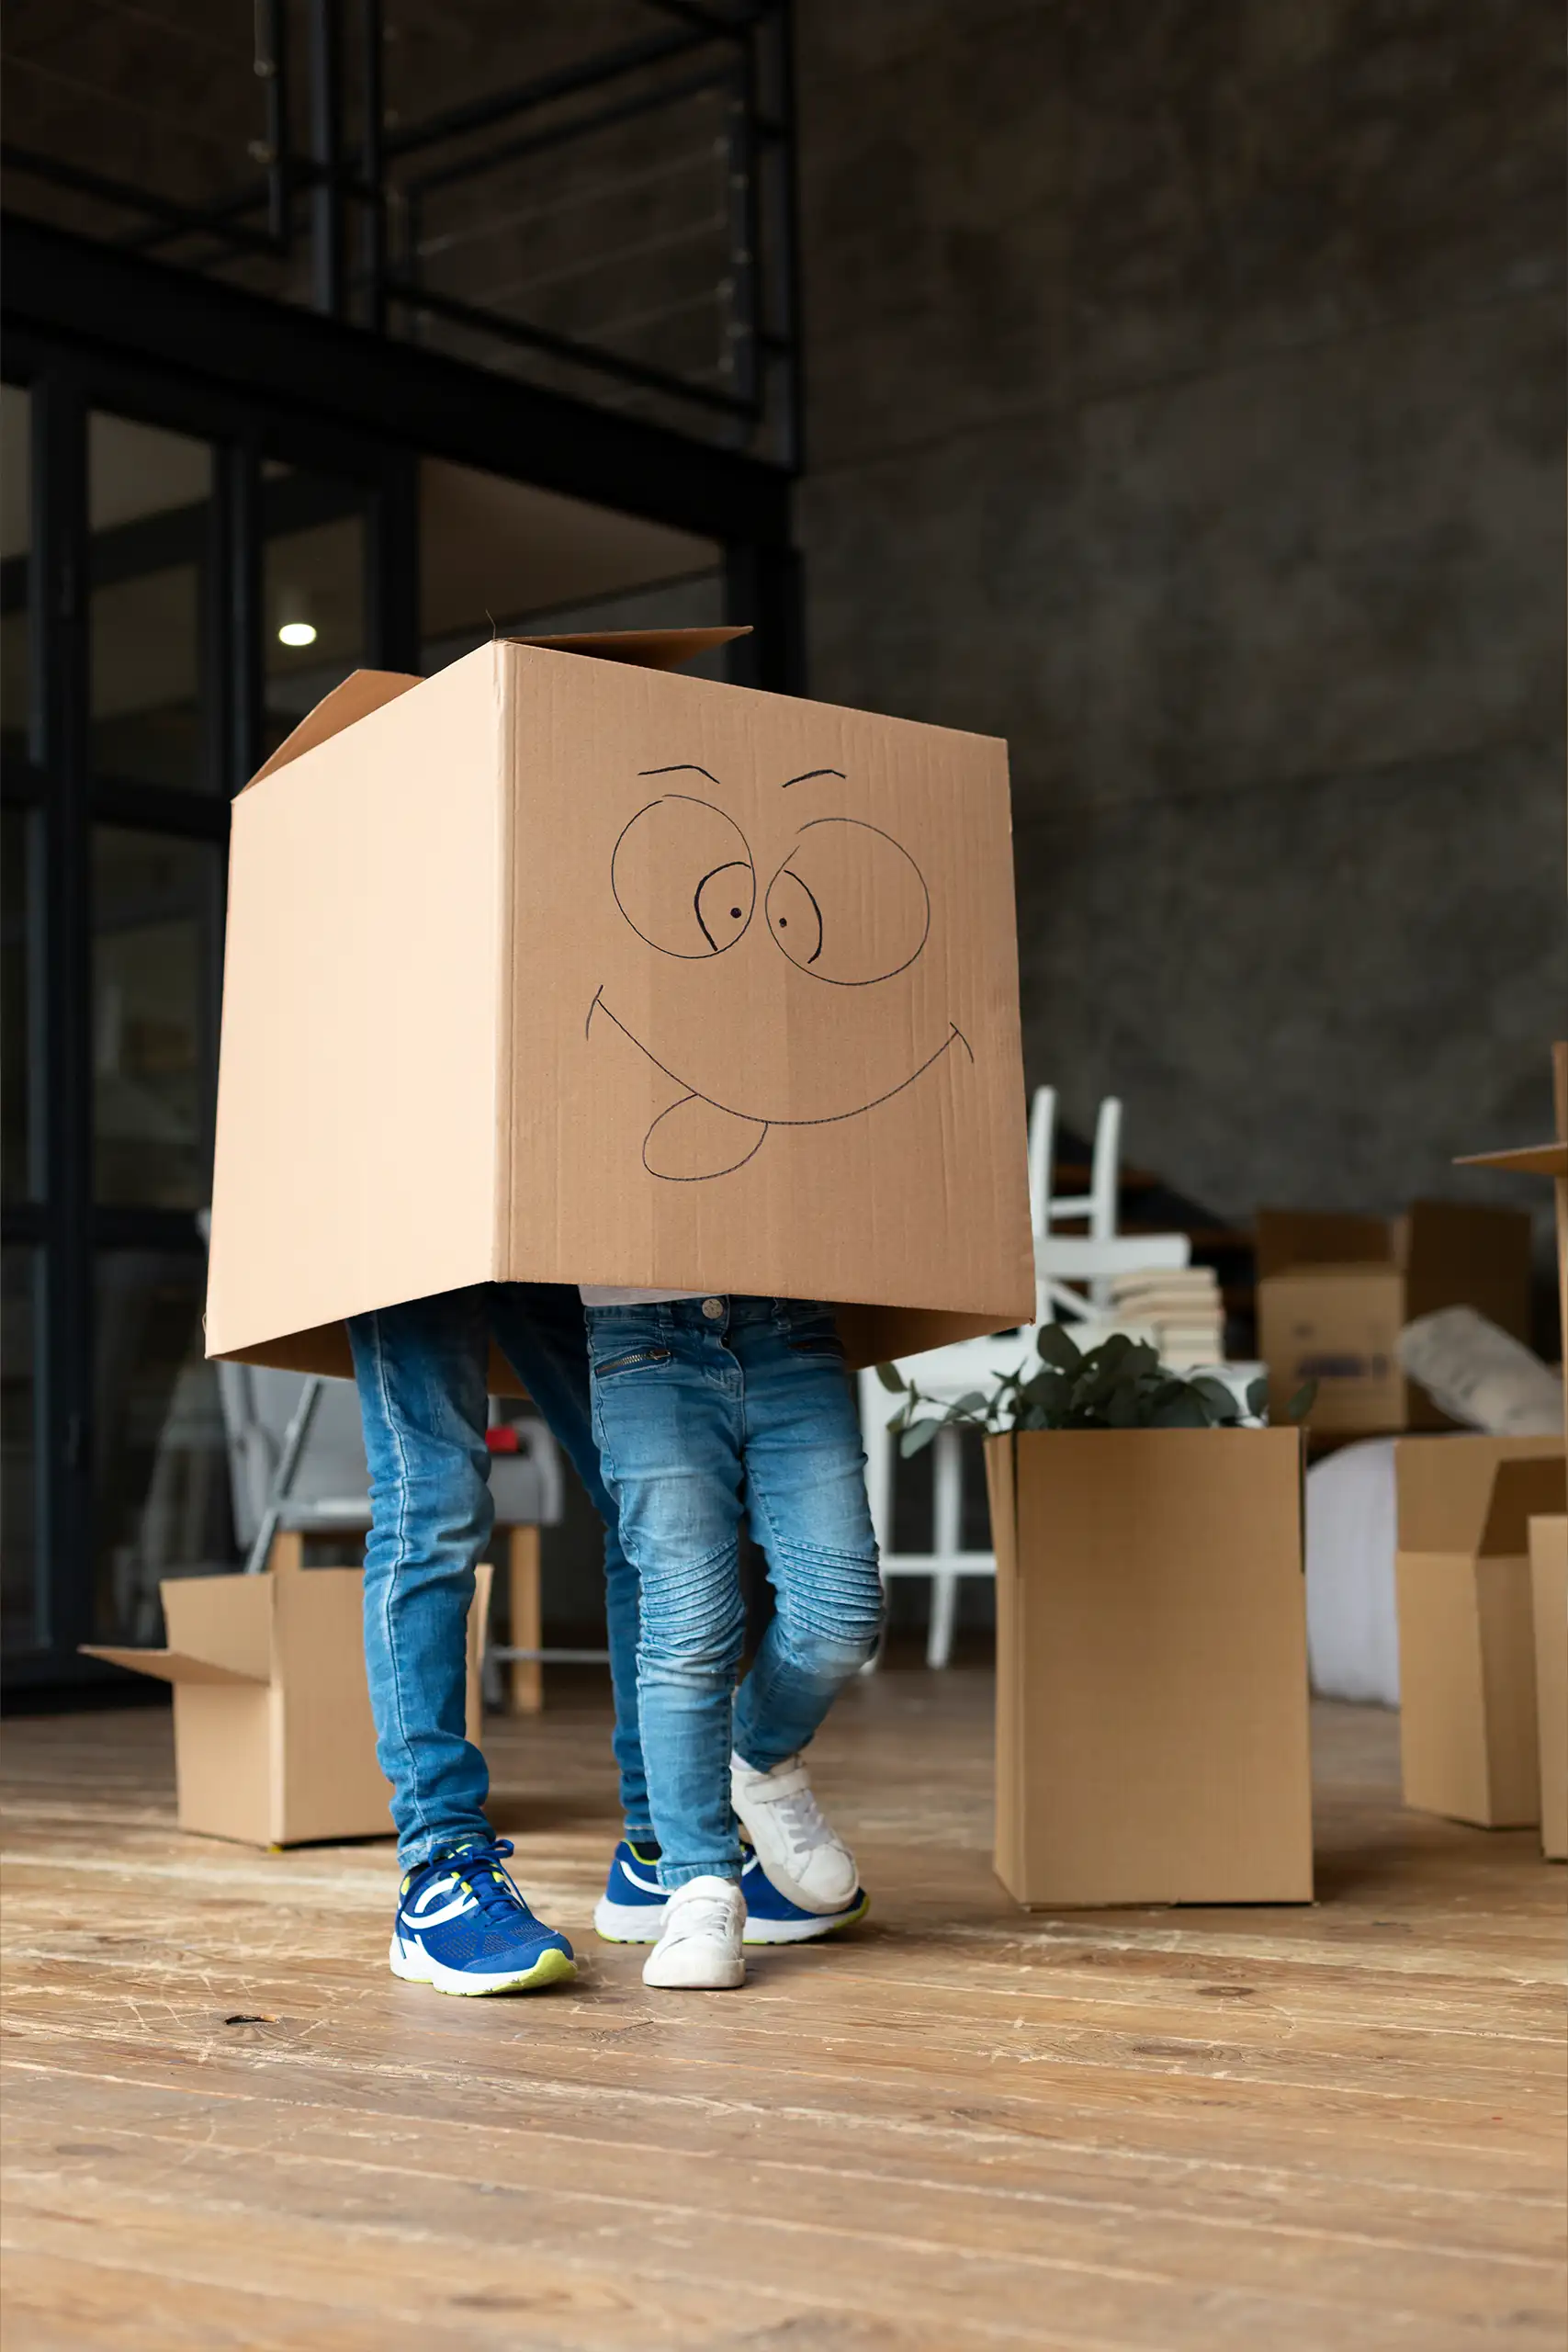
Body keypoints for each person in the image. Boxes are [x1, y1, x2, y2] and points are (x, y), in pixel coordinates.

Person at [352, 1282, 869, 1998]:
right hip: (415, 1215)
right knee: (431, 1510)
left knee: (641, 1509)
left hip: (559, 1226)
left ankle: (656, 1853)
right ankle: (441, 1860)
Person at [581, 1287, 885, 1990]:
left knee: (841, 1616)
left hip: (791, 1323)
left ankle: (758, 1757)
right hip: (642, 1336)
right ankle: (699, 1887)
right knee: (688, 1630)